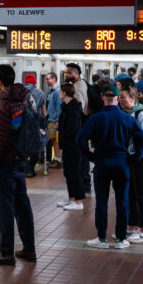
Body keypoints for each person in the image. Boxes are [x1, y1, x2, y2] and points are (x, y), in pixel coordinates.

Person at [77, 85, 143, 249]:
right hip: (122, 164)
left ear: (102, 98)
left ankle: (101, 239)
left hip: (101, 163)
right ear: (117, 99)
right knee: (122, 202)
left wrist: (91, 157)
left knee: (101, 201)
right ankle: (121, 239)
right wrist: (133, 158)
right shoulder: (128, 118)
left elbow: (80, 140)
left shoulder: (95, 118)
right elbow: (142, 140)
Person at [0, 64, 36, 266]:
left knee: (3, 208)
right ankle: (29, 249)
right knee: (22, 205)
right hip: (19, 161)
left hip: (4, 164)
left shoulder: (3, 105)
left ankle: (6, 252)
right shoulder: (22, 100)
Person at [119, 85, 143, 243]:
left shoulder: (141, 114)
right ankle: (131, 227)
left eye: (124, 97)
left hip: (141, 159)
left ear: (132, 99)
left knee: (141, 195)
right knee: (131, 194)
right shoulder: (126, 113)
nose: (120, 100)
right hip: (131, 158)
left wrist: (134, 155)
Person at [64, 63, 92, 193]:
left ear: (76, 73)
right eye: (65, 72)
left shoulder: (78, 87)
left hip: (80, 126)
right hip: (82, 125)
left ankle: (84, 184)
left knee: (80, 157)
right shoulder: (81, 84)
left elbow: (78, 108)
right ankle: (84, 184)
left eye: (69, 73)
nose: (66, 75)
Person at [56, 84, 84, 210]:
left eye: (60, 91)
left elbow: (73, 128)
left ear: (65, 93)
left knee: (74, 172)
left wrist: (63, 136)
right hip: (68, 144)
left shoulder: (73, 109)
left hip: (73, 144)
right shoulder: (67, 107)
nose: (59, 93)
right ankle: (71, 198)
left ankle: (78, 201)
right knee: (68, 172)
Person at [24, 73, 47, 177]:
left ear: (25, 81)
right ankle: (30, 169)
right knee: (35, 145)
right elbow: (43, 109)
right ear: (35, 82)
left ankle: (23, 167)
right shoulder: (40, 93)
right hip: (35, 122)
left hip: (23, 122)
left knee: (23, 144)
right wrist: (44, 121)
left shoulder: (21, 92)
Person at [45, 72, 62, 168]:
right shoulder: (50, 92)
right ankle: (56, 158)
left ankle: (58, 159)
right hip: (50, 119)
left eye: (48, 79)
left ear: (54, 79)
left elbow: (58, 107)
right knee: (53, 140)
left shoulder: (57, 92)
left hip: (54, 120)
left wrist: (57, 120)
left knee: (56, 140)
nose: (47, 81)